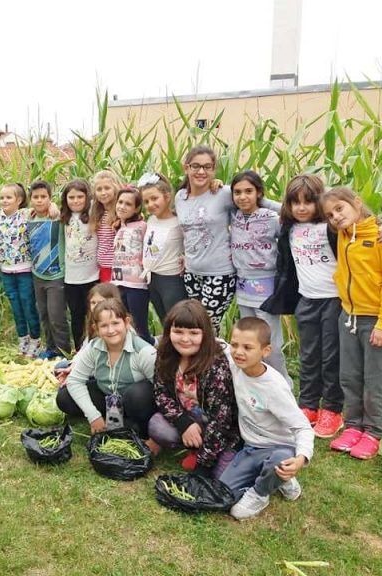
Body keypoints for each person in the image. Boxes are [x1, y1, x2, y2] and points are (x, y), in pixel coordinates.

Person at [322, 187, 382, 460]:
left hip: (375, 320)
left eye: (340, 209)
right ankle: (353, 426)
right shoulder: (344, 234)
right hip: (348, 317)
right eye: (330, 215)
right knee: (350, 377)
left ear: (357, 203)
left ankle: (373, 432)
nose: (335, 217)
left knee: (374, 379)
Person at [175, 146, 279, 333]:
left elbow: (256, 200)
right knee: (194, 327)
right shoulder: (180, 197)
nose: (201, 171)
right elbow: (186, 231)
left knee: (204, 328)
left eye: (207, 167)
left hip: (219, 274)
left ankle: (211, 362)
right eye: (196, 166)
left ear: (214, 170)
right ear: (186, 168)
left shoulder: (223, 194)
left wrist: (296, 211)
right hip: (192, 273)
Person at [221, 317, 314, 520]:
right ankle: (279, 480)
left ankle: (261, 493)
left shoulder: (274, 388)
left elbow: (303, 427)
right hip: (251, 447)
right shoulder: (235, 363)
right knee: (223, 494)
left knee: (279, 461)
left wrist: (301, 458)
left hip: (279, 447)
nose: (238, 352)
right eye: (235, 344)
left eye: (247, 347)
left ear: (265, 351)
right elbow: (217, 344)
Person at [148, 299, 240, 479]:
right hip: (191, 418)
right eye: (178, 331)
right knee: (157, 426)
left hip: (221, 429)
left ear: (205, 334)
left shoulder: (216, 365)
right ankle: (194, 448)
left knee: (222, 479)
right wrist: (184, 423)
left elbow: (222, 420)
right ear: (169, 331)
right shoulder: (166, 354)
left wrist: (203, 466)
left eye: (193, 333)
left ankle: (211, 453)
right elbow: (161, 394)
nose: (185, 339)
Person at [56, 299, 157, 447]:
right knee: (64, 397)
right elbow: (75, 380)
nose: (111, 330)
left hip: (136, 404)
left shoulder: (145, 352)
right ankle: (110, 421)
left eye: (116, 323)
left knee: (137, 394)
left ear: (126, 322)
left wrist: (157, 438)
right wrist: (93, 416)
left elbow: (165, 391)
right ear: (96, 328)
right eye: (104, 325)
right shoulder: (94, 347)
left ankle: (140, 426)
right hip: (108, 396)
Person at [229, 171, 290, 382]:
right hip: (244, 287)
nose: (242, 197)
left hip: (266, 289)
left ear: (259, 193)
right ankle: (256, 381)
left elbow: (289, 212)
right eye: (237, 192)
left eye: (249, 191)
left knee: (269, 342)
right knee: (248, 338)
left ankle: (282, 384)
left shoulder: (271, 218)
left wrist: (264, 201)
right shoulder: (233, 216)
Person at [0, 182, 41, 357]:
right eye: (1, 197)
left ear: (19, 200)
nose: (4, 200)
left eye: (8, 197)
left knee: (28, 305)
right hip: (6, 271)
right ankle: (22, 339)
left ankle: (36, 340)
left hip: (25, 270)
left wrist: (53, 206)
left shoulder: (26, 214)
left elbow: (47, 207)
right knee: (16, 307)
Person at [28, 180, 70, 358]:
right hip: (38, 274)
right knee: (44, 314)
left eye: (43, 197)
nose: (39, 200)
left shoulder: (58, 217)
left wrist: (54, 206)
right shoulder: (28, 217)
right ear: (30, 199)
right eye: (35, 197)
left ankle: (64, 352)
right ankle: (50, 349)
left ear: (50, 198)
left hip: (56, 275)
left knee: (56, 316)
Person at [139, 173, 186, 324]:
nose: (150, 204)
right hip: (152, 279)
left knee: (177, 323)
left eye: (154, 198)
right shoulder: (151, 220)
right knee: (164, 322)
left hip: (171, 280)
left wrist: (187, 257)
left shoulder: (179, 222)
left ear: (166, 196)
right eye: (146, 201)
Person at [61, 179, 99, 350]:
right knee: (76, 316)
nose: (75, 201)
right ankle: (78, 350)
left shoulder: (93, 212)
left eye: (80, 197)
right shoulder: (63, 217)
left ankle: (95, 348)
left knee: (95, 316)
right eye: (71, 197)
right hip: (71, 279)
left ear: (87, 197)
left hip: (92, 277)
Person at [111, 187, 151, 343]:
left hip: (136, 285)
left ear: (136, 208)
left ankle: (150, 360)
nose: (122, 206)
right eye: (120, 202)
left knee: (139, 328)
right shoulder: (119, 226)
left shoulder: (142, 226)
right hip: (119, 282)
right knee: (126, 327)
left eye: (128, 204)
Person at [91, 170, 121, 283]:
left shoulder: (121, 212)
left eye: (107, 188)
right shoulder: (96, 213)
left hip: (117, 267)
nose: (103, 193)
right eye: (99, 189)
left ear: (115, 188)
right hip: (102, 267)